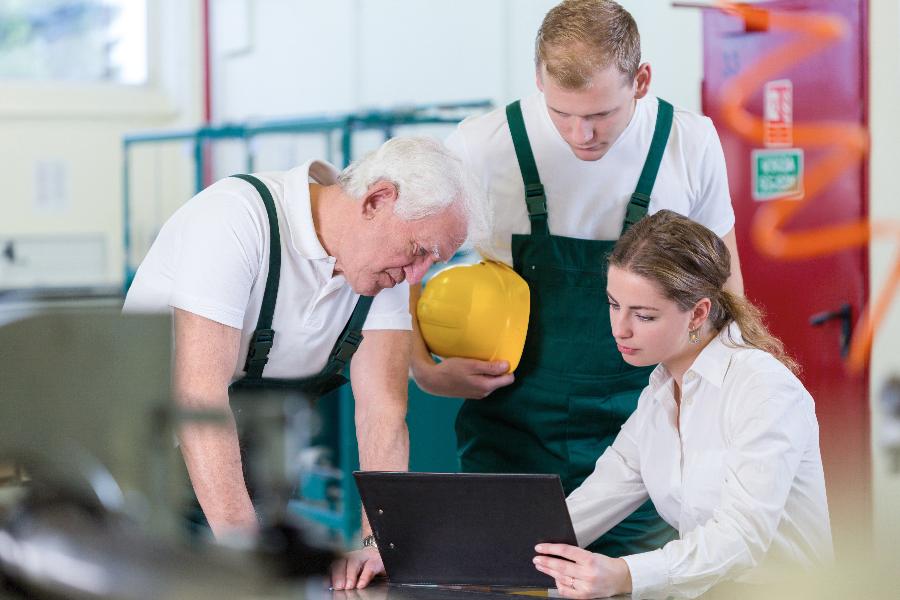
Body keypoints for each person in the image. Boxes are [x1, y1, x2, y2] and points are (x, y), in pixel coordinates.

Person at [410, 0, 745, 561]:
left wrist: (728, 401)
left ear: (641, 81)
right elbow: (406, 263)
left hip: (649, 440)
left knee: (638, 585)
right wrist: (424, 370)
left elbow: (726, 285)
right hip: (510, 439)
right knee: (502, 580)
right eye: (562, 112)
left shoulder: (688, 142)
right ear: (538, 79)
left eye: (601, 115)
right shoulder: (483, 146)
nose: (580, 134)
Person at [123, 136, 487, 587]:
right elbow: (199, 398)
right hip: (142, 479)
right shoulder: (236, 220)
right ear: (376, 200)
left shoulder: (383, 273)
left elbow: (383, 412)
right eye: (418, 250)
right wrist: (249, 558)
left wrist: (377, 545)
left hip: (249, 478)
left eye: (432, 263)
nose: (416, 277)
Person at [531, 210, 832, 599]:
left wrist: (625, 575)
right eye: (613, 304)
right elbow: (599, 495)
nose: (620, 328)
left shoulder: (763, 388)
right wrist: (501, 558)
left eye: (643, 315)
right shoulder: (659, 392)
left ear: (699, 313)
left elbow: (742, 537)